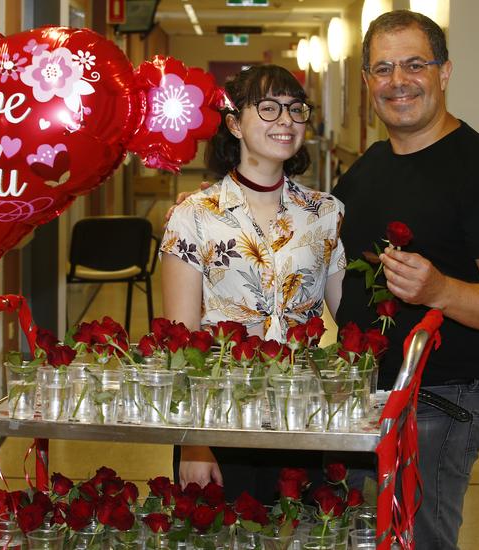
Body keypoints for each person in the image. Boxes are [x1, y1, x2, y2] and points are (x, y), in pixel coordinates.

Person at [333, 10, 479, 550]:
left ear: (444, 72)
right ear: (368, 81)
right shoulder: (368, 167)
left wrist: (440, 290)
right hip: (361, 396)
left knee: (420, 542)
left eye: (414, 64)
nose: (398, 81)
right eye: (383, 69)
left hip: (438, 400)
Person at [160, 64, 346, 502]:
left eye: (295, 109)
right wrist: (193, 440)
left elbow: (349, 318)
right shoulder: (195, 215)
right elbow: (180, 340)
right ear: (234, 124)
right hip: (219, 416)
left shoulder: (325, 213)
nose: (285, 119)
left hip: (302, 415)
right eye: (267, 108)